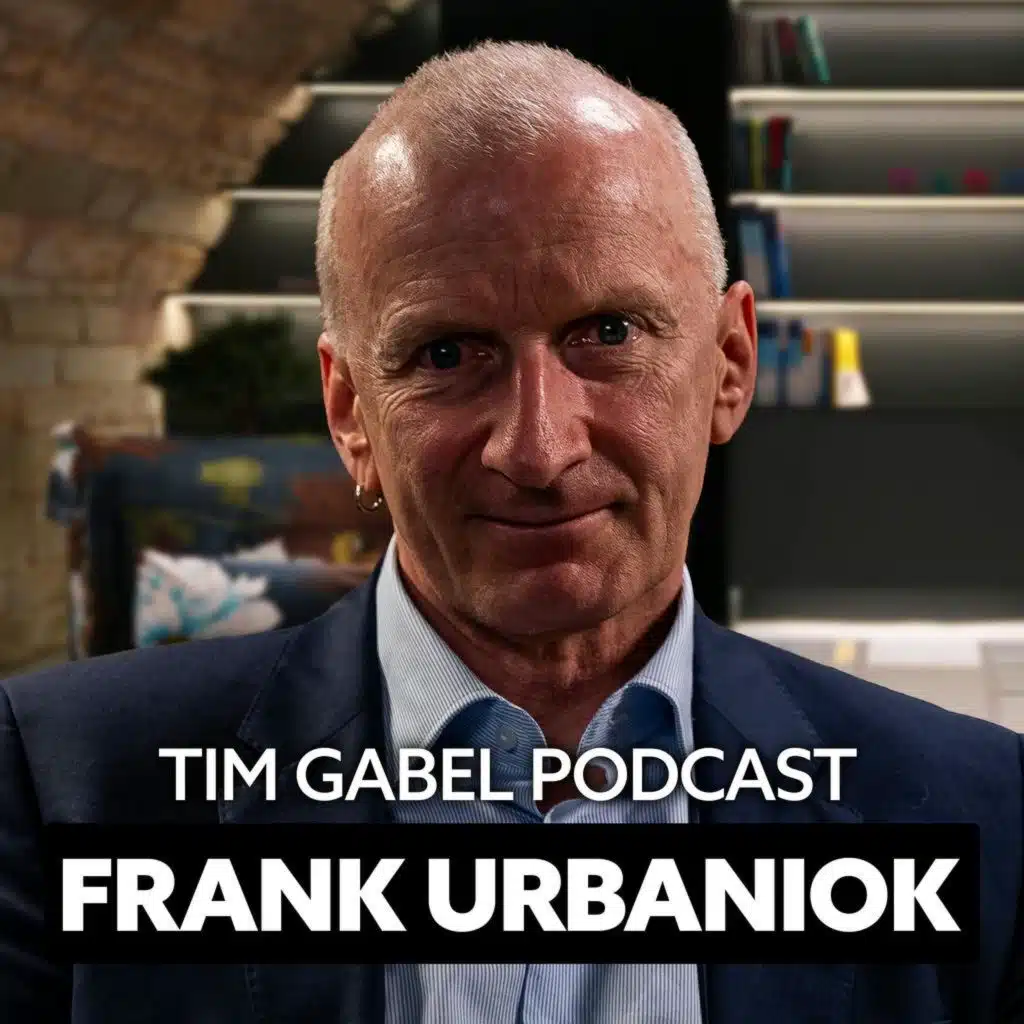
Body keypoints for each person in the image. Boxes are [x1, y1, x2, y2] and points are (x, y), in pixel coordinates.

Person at [1, 41, 1021, 1024]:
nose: (537, 448)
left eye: (608, 333)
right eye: (448, 353)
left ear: (730, 364)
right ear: (350, 411)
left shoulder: (977, 818)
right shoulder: (64, 787)